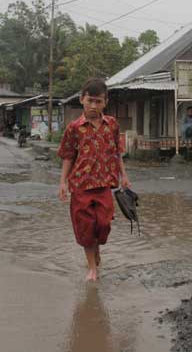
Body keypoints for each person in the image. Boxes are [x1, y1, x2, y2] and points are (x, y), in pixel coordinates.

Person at [57, 78, 131, 282]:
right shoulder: (74, 128)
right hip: (81, 185)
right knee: (86, 227)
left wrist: (124, 175)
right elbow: (68, 156)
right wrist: (62, 182)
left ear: (105, 102)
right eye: (90, 100)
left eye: (98, 101)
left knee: (104, 225)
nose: (93, 106)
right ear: (82, 99)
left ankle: (96, 249)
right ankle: (92, 268)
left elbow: (117, 152)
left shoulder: (112, 125)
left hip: (105, 184)